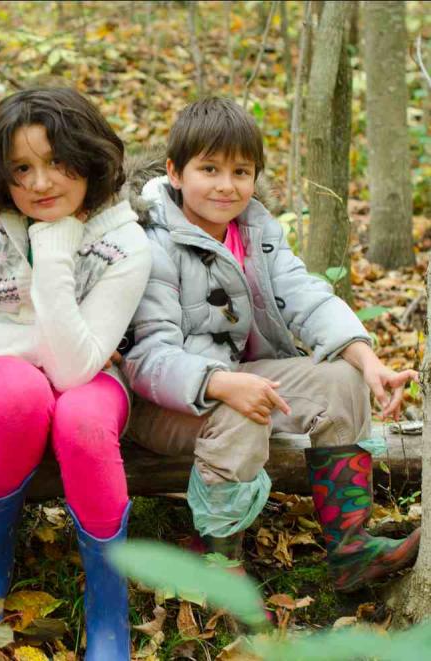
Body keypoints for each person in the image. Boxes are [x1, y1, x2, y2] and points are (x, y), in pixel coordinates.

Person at [123, 97, 420, 591]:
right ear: (175, 172)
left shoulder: (256, 228)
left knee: (341, 382)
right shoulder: (152, 238)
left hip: (237, 378)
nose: (226, 184)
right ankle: (220, 565)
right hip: (161, 399)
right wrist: (220, 383)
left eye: (242, 171)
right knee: (242, 410)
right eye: (210, 169)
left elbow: (304, 294)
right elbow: (147, 355)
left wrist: (366, 360)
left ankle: (351, 548)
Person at [0, 87, 151, 659]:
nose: (40, 183)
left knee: (83, 415)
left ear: (88, 158)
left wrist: (56, 253)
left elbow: (79, 369)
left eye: (57, 163)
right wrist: (39, 346)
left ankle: (108, 609)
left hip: (95, 387)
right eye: (22, 169)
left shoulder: (125, 241)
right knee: (19, 392)